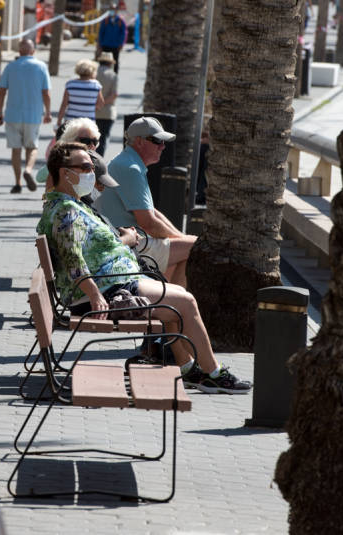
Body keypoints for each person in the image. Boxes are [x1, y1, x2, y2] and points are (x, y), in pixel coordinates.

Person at [38, 142, 251, 394]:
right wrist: (95, 296)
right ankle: (214, 373)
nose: (91, 173)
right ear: (65, 172)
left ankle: (189, 368)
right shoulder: (66, 212)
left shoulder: (69, 205)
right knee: (186, 302)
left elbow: (88, 250)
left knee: (174, 302)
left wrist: (123, 241)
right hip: (105, 292)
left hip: (112, 282)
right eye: (85, 167)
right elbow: (73, 261)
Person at [95, 117, 197, 288]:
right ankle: (173, 303)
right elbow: (148, 223)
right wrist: (183, 240)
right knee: (196, 247)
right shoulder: (130, 168)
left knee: (188, 247)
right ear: (140, 142)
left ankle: (170, 298)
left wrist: (180, 238)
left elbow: (152, 212)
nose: (163, 147)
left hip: (129, 242)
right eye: (157, 141)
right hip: (127, 245)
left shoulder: (129, 162)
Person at [0, 38, 52, 194]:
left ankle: (18, 182)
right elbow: (46, 92)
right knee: (32, 147)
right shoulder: (41, 67)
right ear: (33, 51)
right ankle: (28, 169)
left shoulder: (11, 67)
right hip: (33, 115)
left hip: (12, 114)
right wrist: (48, 112)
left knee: (15, 149)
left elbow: (1, 91)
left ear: (19, 51)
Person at [37, 117, 101, 189]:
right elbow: (39, 177)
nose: (92, 145)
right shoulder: (63, 159)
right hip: (63, 198)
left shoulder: (96, 161)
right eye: (86, 141)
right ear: (71, 140)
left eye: (95, 141)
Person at [56, 59, 104, 127]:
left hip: (71, 122)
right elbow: (100, 103)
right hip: (89, 123)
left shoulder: (70, 84)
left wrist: (59, 120)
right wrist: (89, 108)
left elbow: (64, 104)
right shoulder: (96, 85)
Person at [93, 53, 118, 156]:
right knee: (102, 140)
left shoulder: (93, 73)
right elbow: (114, 94)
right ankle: (99, 162)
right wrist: (102, 103)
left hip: (92, 111)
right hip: (107, 112)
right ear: (110, 63)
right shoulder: (113, 75)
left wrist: (95, 104)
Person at [96, 4, 127, 73]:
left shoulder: (120, 21)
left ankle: (114, 76)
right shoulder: (105, 20)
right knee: (103, 62)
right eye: (111, 9)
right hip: (105, 45)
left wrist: (121, 44)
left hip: (115, 46)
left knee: (115, 62)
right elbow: (101, 33)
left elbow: (123, 34)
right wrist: (99, 44)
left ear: (117, 10)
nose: (112, 11)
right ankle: (101, 76)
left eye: (114, 9)